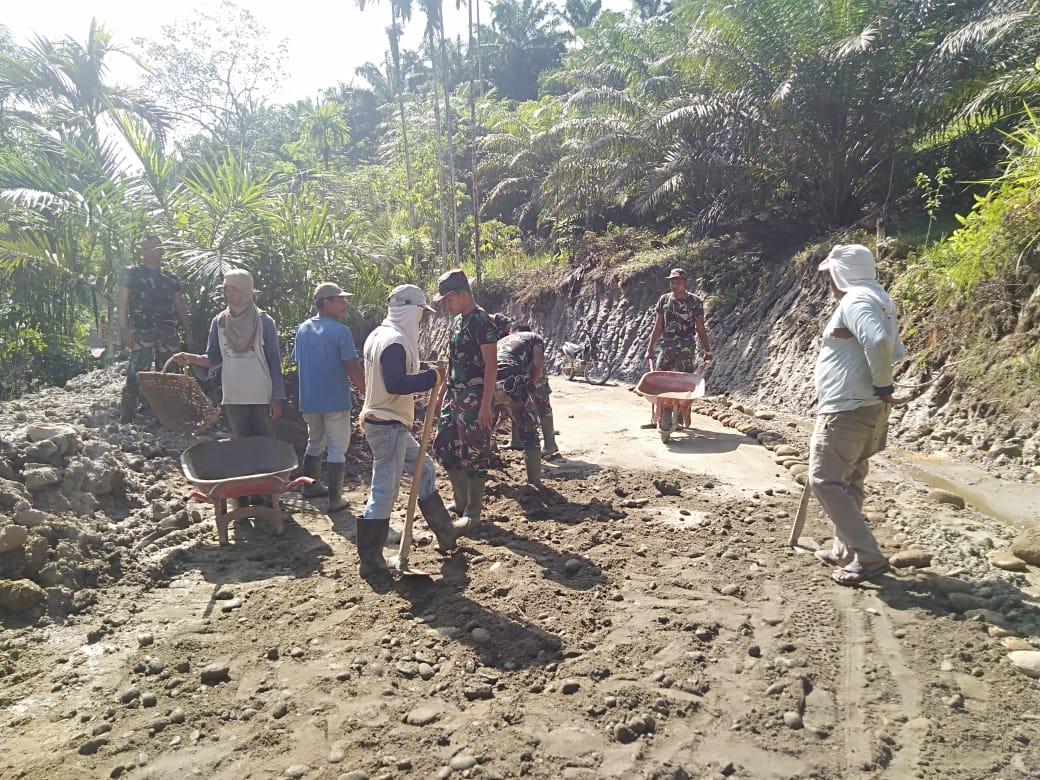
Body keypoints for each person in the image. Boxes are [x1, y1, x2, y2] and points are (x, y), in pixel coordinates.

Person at [355, 284, 470, 578]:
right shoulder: (393, 341)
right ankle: (371, 560)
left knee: (425, 469)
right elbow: (395, 383)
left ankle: (445, 531)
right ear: (410, 310)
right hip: (386, 425)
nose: (421, 319)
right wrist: (431, 377)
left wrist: (427, 373)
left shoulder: (378, 335)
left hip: (389, 422)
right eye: (421, 313)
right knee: (384, 491)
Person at [809, 244, 905, 586]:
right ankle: (845, 551)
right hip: (863, 408)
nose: (829, 284)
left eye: (830, 276)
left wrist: (883, 386)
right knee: (850, 480)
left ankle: (869, 558)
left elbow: (879, 343)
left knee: (824, 481)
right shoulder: (880, 298)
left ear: (842, 273)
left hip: (848, 408)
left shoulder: (856, 300)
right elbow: (894, 347)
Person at [171, 269, 285, 439]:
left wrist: (277, 397)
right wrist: (191, 358)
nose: (229, 294)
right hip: (233, 397)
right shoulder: (219, 322)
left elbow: (274, 361)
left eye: (235, 290)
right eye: (226, 289)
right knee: (242, 444)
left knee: (266, 444)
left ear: (247, 291)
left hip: (261, 397)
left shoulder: (263, 322)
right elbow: (214, 358)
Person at [431, 269, 498, 528]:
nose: (446, 305)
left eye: (448, 300)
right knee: (445, 445)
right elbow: (451, 362)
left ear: (461, 294)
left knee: (474, 452)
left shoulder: (482, 321)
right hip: (455, 394)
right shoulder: (458, 322)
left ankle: (473, 509)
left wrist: (485, 406)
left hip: (475, 395)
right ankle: (460, 500)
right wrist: (440, 397)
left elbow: (491, 365)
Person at [293, 282, 367, 513]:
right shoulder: (340, 332)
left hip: (309, 400)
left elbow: (298, 361)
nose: (345, 304)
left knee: (314, 442)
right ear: (326, 303)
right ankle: (335, 500)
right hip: (335, 400)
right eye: (340, 300)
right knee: (337, 449)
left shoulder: (303, 329)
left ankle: (309, 487)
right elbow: (353, 368)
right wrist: (367, 393)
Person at [116, 235, 195, 423]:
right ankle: (127, 416)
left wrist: (188, 333)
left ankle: (167, 415)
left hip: (168, 332)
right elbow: (122, 303)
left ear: (161, 250)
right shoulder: (131, 274)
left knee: (169, 374)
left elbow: (179, 305)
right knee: (137, 373)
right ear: (141, 251)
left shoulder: (170, 278)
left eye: (154, 247)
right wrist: (125, 330)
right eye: (145, 248)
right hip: (142, 332)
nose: (149, 252)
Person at [644, 267, 712, 431]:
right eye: (672, 282)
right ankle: (658, 417)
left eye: (679, 282)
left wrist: (707, 350)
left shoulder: (695, 302)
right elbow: (658, 325)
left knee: (684, 385)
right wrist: (650, 348)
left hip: (686, 348)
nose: (675, 285)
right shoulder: (664, 300)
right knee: (659, 382)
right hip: (666, 347)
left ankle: (682, 415)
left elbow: (700, 327)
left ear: (685, 283)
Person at [493, 318, 547, 485]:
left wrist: (501, 405)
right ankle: (535, 483)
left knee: (482, 428)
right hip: (513, 379)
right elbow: (538, 365)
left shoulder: (500, 340)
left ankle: (478, 475)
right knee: (530, 434)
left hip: (488, 381)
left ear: (511, 331)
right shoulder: (534, 337)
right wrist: (529, 385)